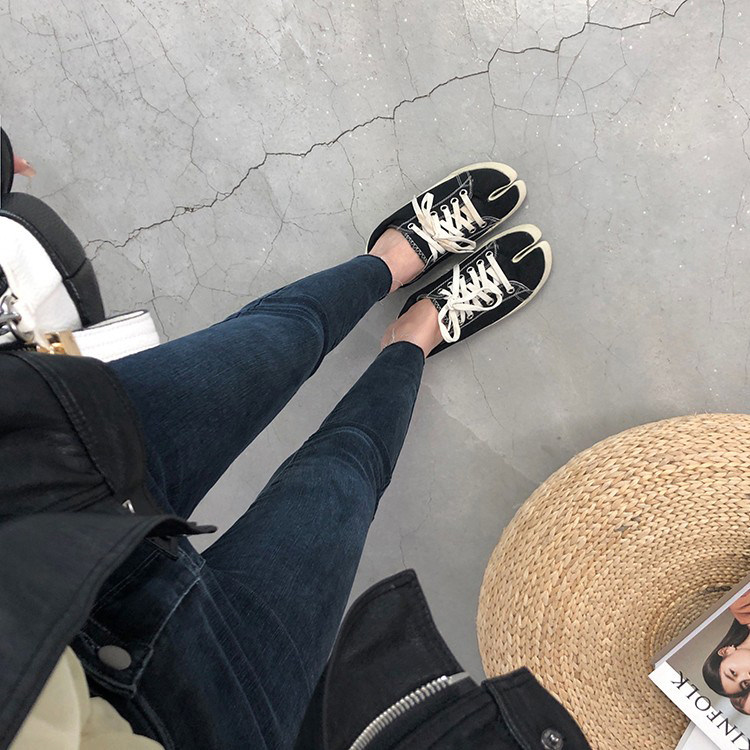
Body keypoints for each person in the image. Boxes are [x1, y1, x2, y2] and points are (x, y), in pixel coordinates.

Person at [3, 161, 590, 750]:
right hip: (211, 718)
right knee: (345, 476)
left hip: (33, 491)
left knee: (275, 344)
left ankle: (385, 265)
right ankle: (413, 337)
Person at [703, 590, 750, 697]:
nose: (747, 677)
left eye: (733, 673)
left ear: (726, 651)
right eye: (746, 684)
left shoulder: (741, 606)